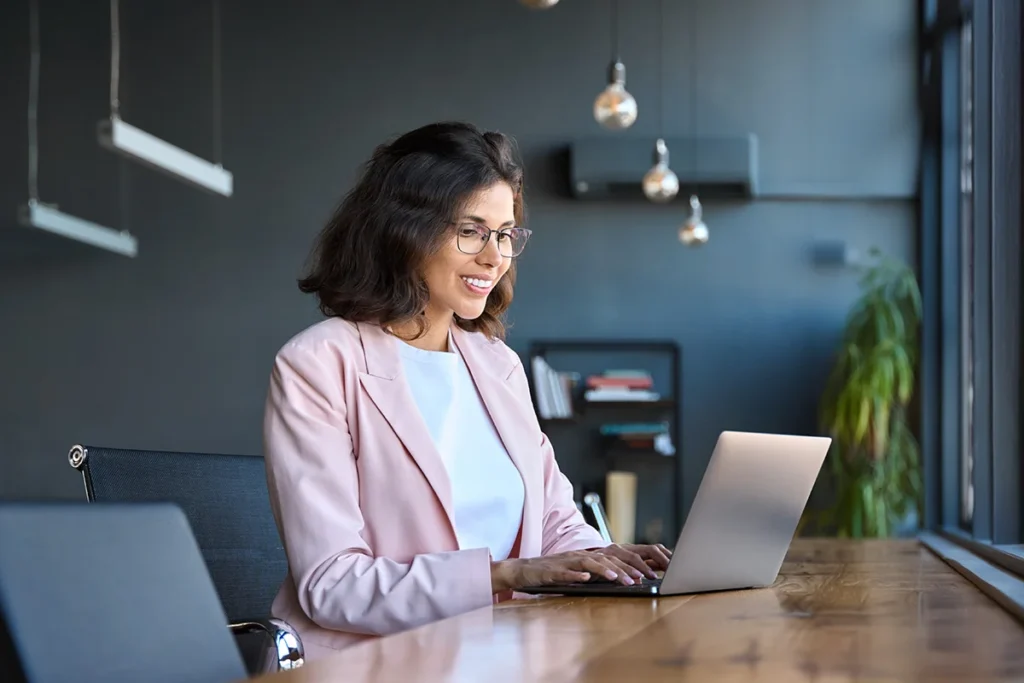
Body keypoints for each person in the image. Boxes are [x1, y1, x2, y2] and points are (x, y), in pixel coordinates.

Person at [261, 121, 672, 660]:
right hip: (380, 663)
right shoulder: (318, 364)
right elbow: (333, 584)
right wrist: (507, 574)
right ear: (403, 230)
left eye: (504, 234)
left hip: (510, 652)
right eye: (472, 231)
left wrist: (608, 562)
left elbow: (554, 521)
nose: (494, 257)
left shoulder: (497, 365)